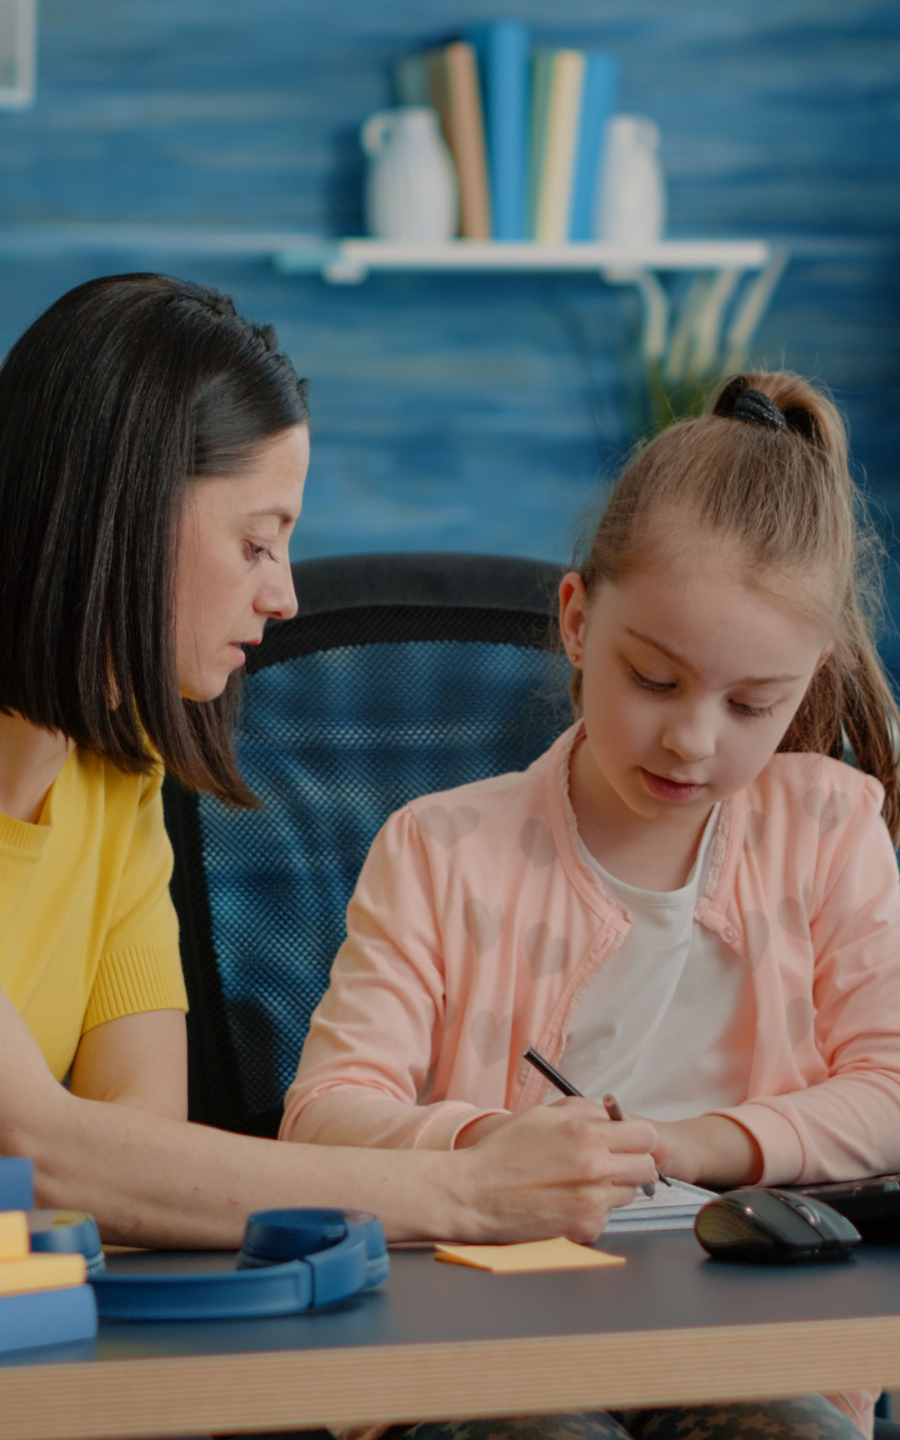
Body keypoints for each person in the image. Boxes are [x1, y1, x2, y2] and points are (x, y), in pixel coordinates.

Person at [283, 371, 900, 1440]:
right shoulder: (439, 850)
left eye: (753, 705)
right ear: (576, 621)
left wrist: (689, 1145)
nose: (693, 740)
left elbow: (889, 1091)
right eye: (655, 680)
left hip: (744, 1343)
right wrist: (497, 1145)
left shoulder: (831, 831)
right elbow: (321, 1117)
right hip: (491, 1342)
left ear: (812, 680)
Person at [0, 271, 660, 1251]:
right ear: (123, 512)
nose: (284, 598)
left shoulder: (119, 771)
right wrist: (468, 1192)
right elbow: (39, 1153)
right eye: (256, 543)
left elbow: (136, 1155)